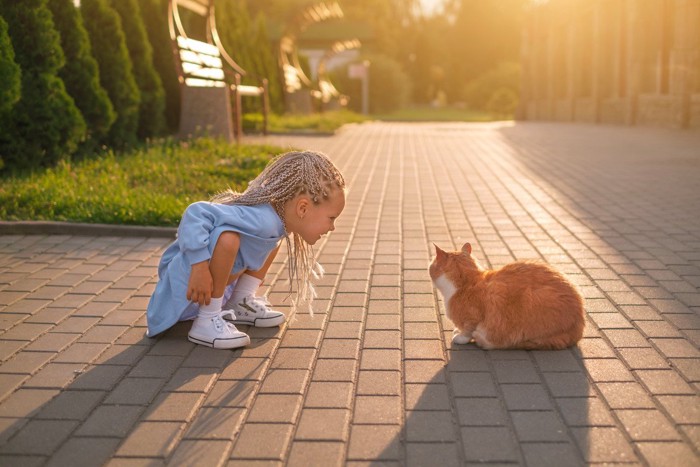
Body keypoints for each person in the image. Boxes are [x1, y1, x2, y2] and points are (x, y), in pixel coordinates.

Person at [146, 150, 346, 349]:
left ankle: (240, 301)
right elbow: (195, 212)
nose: (332, 227)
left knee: (274, 241)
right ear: (303, 208)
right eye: (331, 218)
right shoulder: (260, 218)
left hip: (205, 294)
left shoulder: (275, 224)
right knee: (228, 239)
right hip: (189, 290)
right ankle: (206, 322)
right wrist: (198, 267)